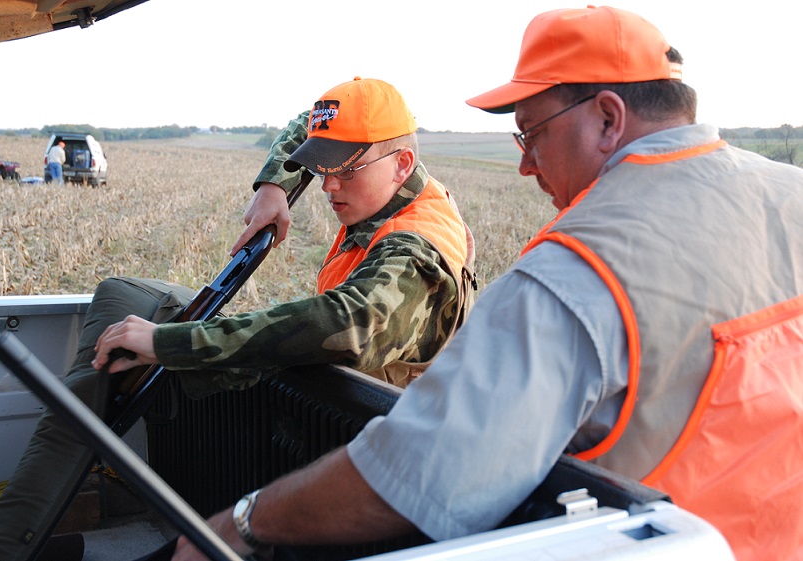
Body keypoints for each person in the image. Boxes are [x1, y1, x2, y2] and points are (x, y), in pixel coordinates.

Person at [165, 6, 802, 561]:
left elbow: (420, 475)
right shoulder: (791, 196)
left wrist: (241, 522)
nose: (524, 164)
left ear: (608, 118)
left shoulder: (577, 269)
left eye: (532, 133)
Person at [0, 77, 475, 561]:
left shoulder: (416, 249)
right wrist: (276, 184)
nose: (328, 186)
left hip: (360, 439)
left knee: (141, 347)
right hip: (324, 400)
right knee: (125, 295)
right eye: (322, 170)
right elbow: (310, 127)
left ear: (402, 163)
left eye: (346, 170)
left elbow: (343, 323)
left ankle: (6, 546)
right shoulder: (384, 181)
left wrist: (172, 343)